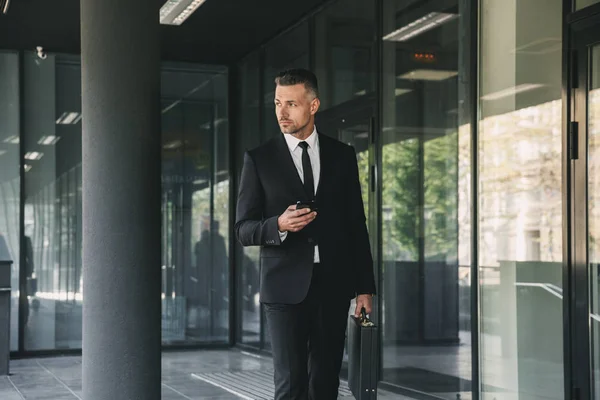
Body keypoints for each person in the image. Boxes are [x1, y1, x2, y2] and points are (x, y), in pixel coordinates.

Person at [234, 68, 376, 400]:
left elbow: (356, 224)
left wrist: (365, 289)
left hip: (333, 286)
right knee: (290, 383)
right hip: (283, 290)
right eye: (277, 103)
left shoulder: (342, 156)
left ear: (313, 106)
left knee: (325, 382)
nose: (282, 113)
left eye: (291, 104)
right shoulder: (259, 159)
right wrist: (278, 225)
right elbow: (243, 229)